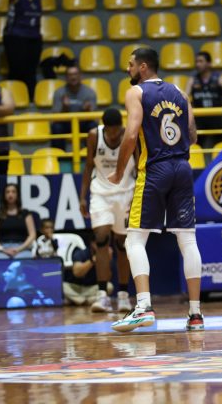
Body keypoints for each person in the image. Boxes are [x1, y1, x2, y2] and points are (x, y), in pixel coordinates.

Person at [109, 47, 203, 332]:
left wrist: (119, 170)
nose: (128, 69)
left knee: (134, 240)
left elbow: (131, 133)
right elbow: (193, 135)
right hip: (183, 168)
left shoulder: (136, 93)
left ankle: (143, 306)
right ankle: (195, 314)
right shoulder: (180, 93)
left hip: (155, 169)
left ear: (143, 67)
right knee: (187, 240)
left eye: (131, 64)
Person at [0, 0, 80, 100]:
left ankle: (30, 98)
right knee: (17, 70)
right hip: (15, 38)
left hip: (34, 38)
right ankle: (13, 98)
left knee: (31, 71)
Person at [79, 107, 135, 314]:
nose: (113, 135)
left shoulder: (130, 135)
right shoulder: (94, 136)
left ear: (120, 127)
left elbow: (140, 167)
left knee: (122, 245)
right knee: (101, 238)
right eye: (110, 131)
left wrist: (140, 194)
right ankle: (102, 295)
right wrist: (82, 196)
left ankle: (123, 295)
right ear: (105, 127)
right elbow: (88, 166)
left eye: (116, 130)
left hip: (125, 193)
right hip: (100, 193)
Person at [185, 51, 222, 150]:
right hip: (199, 119)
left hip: (216, 118)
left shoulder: (219, 78)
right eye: (196, 62)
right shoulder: (192, 80)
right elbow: (184, 97)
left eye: (201, 61)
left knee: (221, 145)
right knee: (195, 144)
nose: (197, 64)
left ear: (208, 63)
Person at [51, 65, 97, 151]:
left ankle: (91, 154)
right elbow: (55, 117)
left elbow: (93, 116)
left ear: (80, 76)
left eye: (75, 74)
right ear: (66, 77)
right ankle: (59, 156)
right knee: (56, 127)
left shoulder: (89, 92)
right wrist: (64, 108)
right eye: (70, 75)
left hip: (83, 123)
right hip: (66, 123)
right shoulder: (59, 92)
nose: (73, 77)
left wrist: (87, 110)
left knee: (93, 126)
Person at [0, 183, 37, 259]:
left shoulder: (26, 214)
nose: (10, 194)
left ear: (17, 195)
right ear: (4, 195)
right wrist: (2, 249)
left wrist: (19, 249)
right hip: (2, 248)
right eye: (7, 192)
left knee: (25, 258)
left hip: (22, 247)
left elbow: (32, 235)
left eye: (13, 192)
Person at [63, 239, 108, 306]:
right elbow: (77, 273)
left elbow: (108, 277)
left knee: (109, 286)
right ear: (92, 243)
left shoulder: (105, 255)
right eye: (98, 244)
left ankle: (75, 300)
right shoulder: (80, 253)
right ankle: (85, 301)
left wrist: (107, 263)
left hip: (91, 288)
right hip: (75, 287)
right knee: (62, 286)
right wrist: (92, 261)